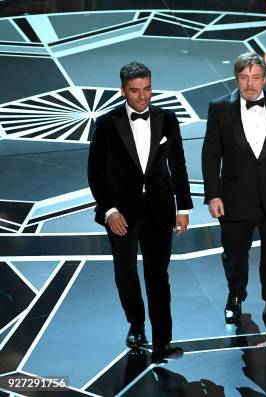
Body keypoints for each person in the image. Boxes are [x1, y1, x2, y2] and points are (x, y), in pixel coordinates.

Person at [87, 62, 193, 362]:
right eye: (135, 91)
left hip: (159, 209)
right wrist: (108, 211)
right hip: (121, 213)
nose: (143, 97)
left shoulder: (167, 119)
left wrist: (183, 207)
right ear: (123, 90)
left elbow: (179, 166)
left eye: (147, 89)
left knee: (158, 276)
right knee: (125, 274)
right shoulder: (107, 124)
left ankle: (162, 341)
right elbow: (95, 173)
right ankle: (136, 323)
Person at [202, 52, 266, 355]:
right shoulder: (220, 109)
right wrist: (213, 194)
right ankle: (235, 293)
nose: (250, 84)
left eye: (256, 77)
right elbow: (211, 154)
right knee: (235, 258)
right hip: (234, 199)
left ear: (265, 78)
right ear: (236, 78)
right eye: (244, 78)